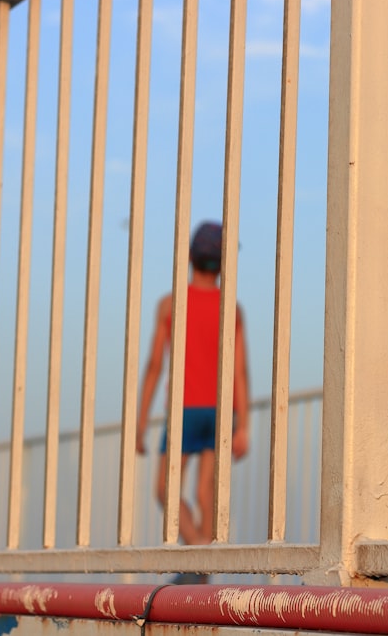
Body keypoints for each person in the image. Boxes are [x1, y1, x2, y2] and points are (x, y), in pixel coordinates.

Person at [136, 221, 250, 583]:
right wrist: (244, 423)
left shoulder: (171, 305)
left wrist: (141, 419)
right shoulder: (231, 308)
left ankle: (198, 551)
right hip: (219, 411)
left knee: (165, 489)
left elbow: (155, 365)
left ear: (190, 257)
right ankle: (203, 559)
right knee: (206, 491)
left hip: (184, 410)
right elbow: (239, 371)